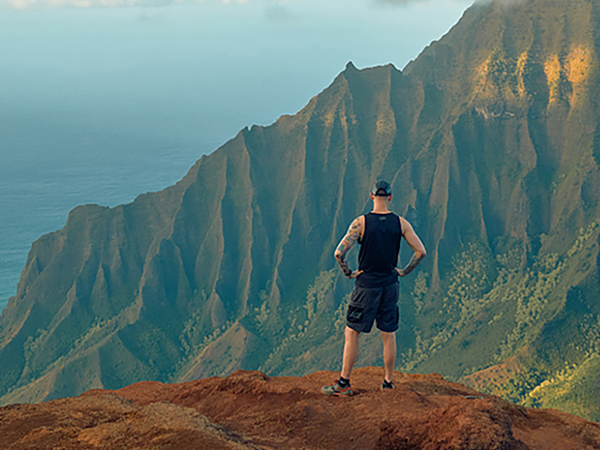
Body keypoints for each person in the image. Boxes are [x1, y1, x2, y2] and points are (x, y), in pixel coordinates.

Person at [322, 180, 426, 396]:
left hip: (366, 286)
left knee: (352, 332)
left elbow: (339, 253)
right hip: (390, 284)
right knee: (388, 334)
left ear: (371, 196)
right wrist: (404, 271)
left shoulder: (360, 223)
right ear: (390, 197)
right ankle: (387, 383)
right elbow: (421, 252)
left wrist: (349, 273)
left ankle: (344, 383)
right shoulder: (401, 223)